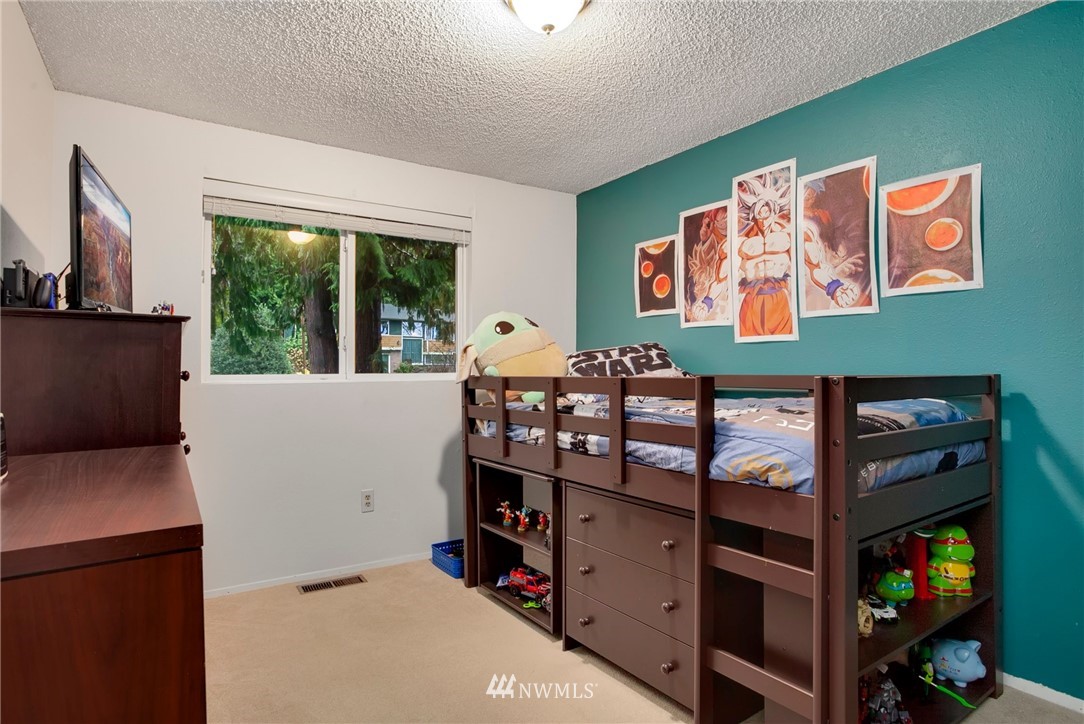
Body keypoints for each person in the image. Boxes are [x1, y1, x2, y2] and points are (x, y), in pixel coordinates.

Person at [735, 175, 794, 336]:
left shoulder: (787, 237)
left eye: (766, 213)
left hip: (779, 302)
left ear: (774, 211)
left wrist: (835, 287)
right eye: (758, 215)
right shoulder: (741, 243)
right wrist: (707, 302)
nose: (762, 220)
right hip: (750, 305)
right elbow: (721, 275)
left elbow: (814, 264)